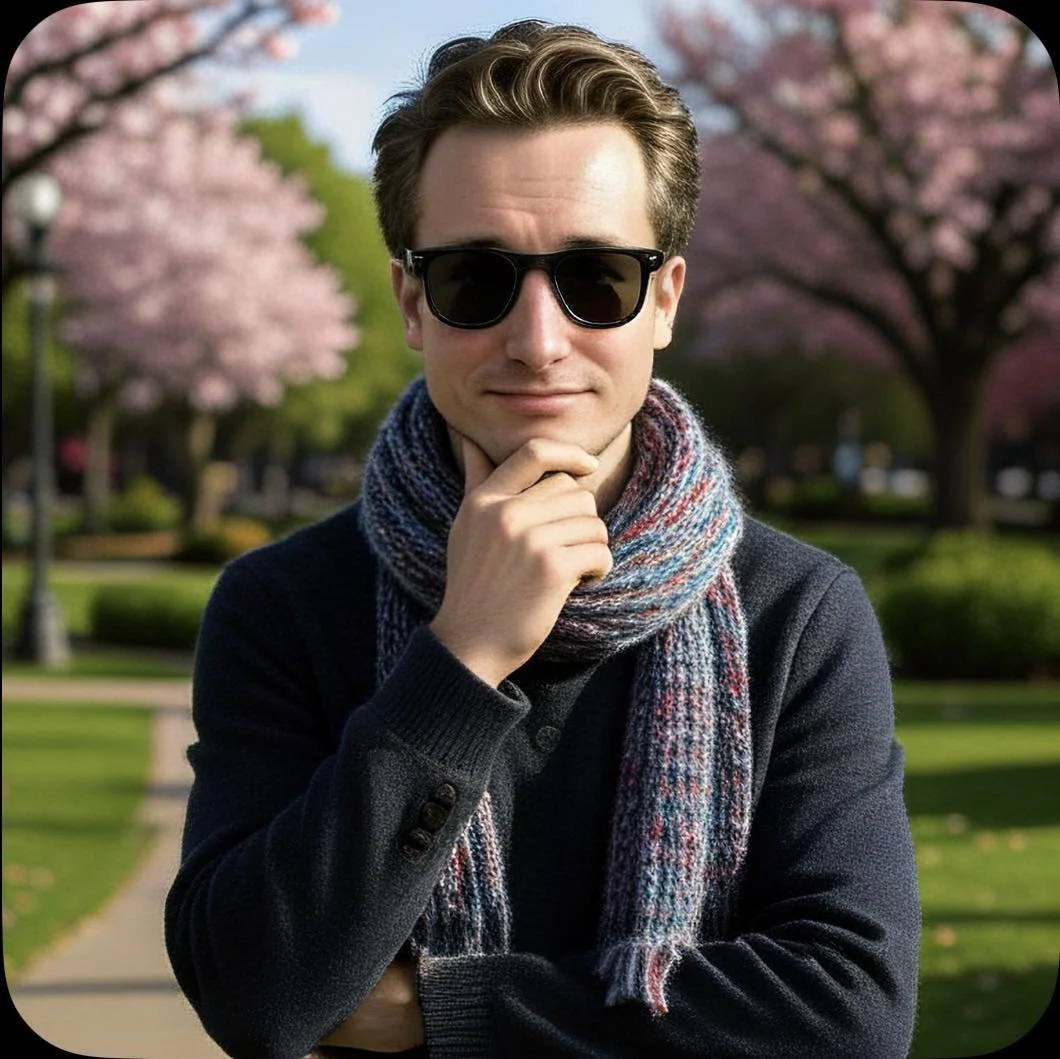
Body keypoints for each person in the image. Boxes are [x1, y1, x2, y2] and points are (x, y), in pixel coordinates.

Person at [165, 19, 920, 1059]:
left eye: (595, 278)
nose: (537, 340)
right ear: (411, 303)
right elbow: (258, 994)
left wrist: (442, 1010)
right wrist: (461, 659)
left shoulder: (796, 613)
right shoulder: (283, 604)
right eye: (476, 279)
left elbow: (848, 1013)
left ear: (663, 300)